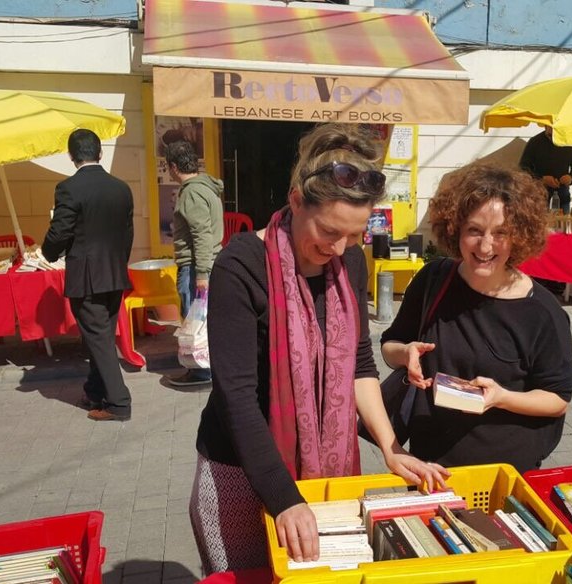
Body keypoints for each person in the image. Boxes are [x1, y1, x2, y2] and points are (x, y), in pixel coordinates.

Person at [189, 123, 448, 575]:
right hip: (239, 469)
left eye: (354, 235)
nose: (339, 247)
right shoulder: (241, 266)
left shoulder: (347, 261)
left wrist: (390, 447)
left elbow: (359, 364)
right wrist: (284, 498)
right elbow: (237, 398)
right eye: (329, 230)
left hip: (323, 473)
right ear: (294, 201)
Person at [380, 161, 572, 473]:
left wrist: (501, 397)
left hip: (503, 470)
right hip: (429, 466)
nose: (486, 245)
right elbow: (390, 344)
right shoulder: (434, 278)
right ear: (455, 229)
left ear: (519, 237)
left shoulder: (541, 312)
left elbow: (557, 398)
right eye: (474, 230)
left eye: (501, 233)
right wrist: (405, 354)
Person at [43, 129, 134, 422]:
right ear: (100, 153)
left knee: (99, 340)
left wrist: (47, 253)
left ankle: (119, 403)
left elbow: (60, 231)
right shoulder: (121, 188)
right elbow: (127, 234)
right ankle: (95, 392)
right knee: (100, 337)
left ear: (71, 156)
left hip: (87, 277)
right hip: (114, 273)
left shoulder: (69, 188)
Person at [164, 140, 224, 387]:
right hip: (207, 262)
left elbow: (201, 234)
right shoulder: (206, 187)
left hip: (196, 266)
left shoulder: (191, 192)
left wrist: (201, 273)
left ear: (174, 166)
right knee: (204, 319)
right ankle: (206, 366)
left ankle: (200, 371)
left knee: (194, 320)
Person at [519, 125, 572, 215]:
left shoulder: (570, 142)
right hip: (539, 193)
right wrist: (541, 179)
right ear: (545, 126)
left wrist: (571, 177)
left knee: (562, 225)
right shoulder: (535, 142)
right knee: (540, 223)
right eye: (550, 132)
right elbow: (524, 166)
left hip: (562, 194)